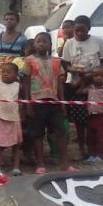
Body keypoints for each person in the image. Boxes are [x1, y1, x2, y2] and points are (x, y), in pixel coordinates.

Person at [61, 16, 103, 161]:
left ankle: (96, 149)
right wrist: (76, 71)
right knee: (79, 120)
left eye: (83, 30)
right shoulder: (69, 43)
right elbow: (65, 63)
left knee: (94, 118)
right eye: (77, 30)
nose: (80, 33)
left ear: (89, 28)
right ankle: (81, 149)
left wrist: (94, 73)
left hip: (94, 85)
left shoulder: (97, 41)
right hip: (76, 84)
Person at [24, 32, 73, 173]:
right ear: (34, 44)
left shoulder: (56, 61)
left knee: (60, 131)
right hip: (36, 102)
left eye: (44, 41)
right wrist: (27, 103)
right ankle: (40, 163)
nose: (41, 44)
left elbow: (60, 83)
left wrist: (62, 102)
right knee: (38, 133)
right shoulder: (29, 60)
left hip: (54, 102)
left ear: (50, 44)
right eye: (38, 41)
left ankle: (64, 162)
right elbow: (26, 82)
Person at [0, 61, 25, 175]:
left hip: (14, 118)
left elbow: (24, 100)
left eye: (9, 72)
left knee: (16, 145)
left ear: (16, 74)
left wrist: (23, 113)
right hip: (1, 118)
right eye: (3, 72)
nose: (5, 74)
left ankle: (16, 167)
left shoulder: (19, 86)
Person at [84, 67, 103, 164]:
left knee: (101, 137)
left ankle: (101, 155)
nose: (99, 78)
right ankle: (92, 155)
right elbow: (80, 91)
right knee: (90, 137)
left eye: (101, 75)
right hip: (91, 116)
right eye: (96, 76)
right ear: (92, 77)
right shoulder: (90, 88)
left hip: (102, 116)